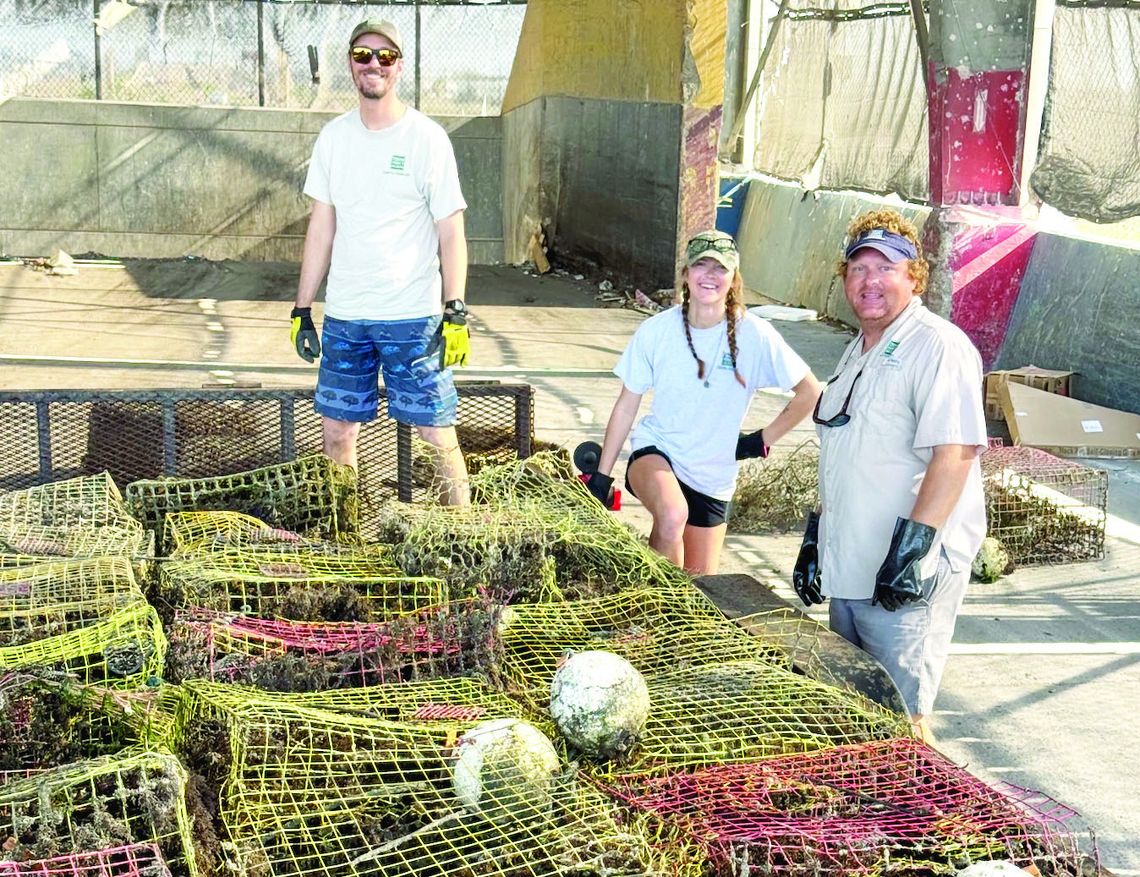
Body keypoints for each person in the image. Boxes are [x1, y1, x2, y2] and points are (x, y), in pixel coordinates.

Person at [791, 208, 987, 742]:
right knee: (857, 714)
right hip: (852, 567)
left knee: (903, 718)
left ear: (914, 277)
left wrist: (912, 552)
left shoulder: (937, 345)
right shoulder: (857, 351)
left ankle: (924, 799)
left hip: (902, 578)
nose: (870, 281)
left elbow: (955, 454)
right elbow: (846, 452)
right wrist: (817, 539)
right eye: (858, 268)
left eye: (886, 268)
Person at [289, 19, 471, 506]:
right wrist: (302, 309)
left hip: (413, 318)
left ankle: (465, 541)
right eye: (363, 54)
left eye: (385, 56)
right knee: (337, 434)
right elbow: (321, 228)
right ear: (350, 63)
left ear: (399, 66)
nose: (373, 64)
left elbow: (451, 231)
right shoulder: (333, 138)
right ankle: (346, 538)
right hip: (346, 318)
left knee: (437, 436)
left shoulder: (427, 138)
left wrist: (455, 309)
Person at [586, 230, 821, 575]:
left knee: (700, 586)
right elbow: (626, 405)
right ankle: (659, 605)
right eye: (701, 265)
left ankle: (658, 594)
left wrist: (761, 440)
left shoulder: (755, 335)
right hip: (658, 451)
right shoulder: (657, 331)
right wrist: (602, 477)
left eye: (720, 268)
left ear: (733, 279)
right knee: (672, 515)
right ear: (685, 273)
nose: (709, 275)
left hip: (713, 474)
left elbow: (810, 392)